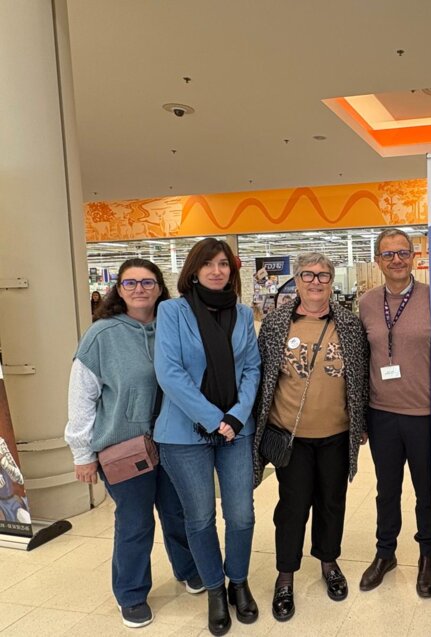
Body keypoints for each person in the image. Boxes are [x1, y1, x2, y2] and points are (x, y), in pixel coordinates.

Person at [65, 258, 201, 629]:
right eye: (130, 283)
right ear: (118, 289)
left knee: (180, 514)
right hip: (125, 449)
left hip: (174, 443)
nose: (140, 289)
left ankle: (188, 569)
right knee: (135, 522)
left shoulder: (174, 327)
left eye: (148, 282)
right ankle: (131, 593)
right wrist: (82, 454)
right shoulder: (101, 336)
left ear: (160, 287)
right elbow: (81, 398)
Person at [252, 252, 368, 622]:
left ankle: (328, 562)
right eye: (307, 274)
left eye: (323, 275)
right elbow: (262, 378)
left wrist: (362, 421)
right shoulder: (275, 324)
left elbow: (362, 376)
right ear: (297, 281)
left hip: (336, 433)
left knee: (332, 502)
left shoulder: (349, 324)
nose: (315, 281)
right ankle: (285, 575)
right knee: (292, 507)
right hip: (292, 436)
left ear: (332, 281)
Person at [153, 239, 261, 637]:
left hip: (236, 431)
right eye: (208, 264)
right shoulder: (172, 312)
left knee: (241, 514)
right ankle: (215, 589)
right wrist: (216, 419)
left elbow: (252, 369)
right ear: (193, 270)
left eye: (223, 265)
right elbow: (170, 373)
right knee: (198, 517)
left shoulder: (243, 313)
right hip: (184, 434)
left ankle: (239, 582)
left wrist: (236, 415)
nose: (217, 271)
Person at [357, 228, 431, 598]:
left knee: (426, 490)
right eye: (388, 255)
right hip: (381, 413)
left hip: (425, 412)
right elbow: (360, 359)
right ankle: (385, 553)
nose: (397, 260)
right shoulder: (367, 302)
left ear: (414, 257)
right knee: (386, 490)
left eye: (403, 253)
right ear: (378, 261)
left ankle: (428, 555)